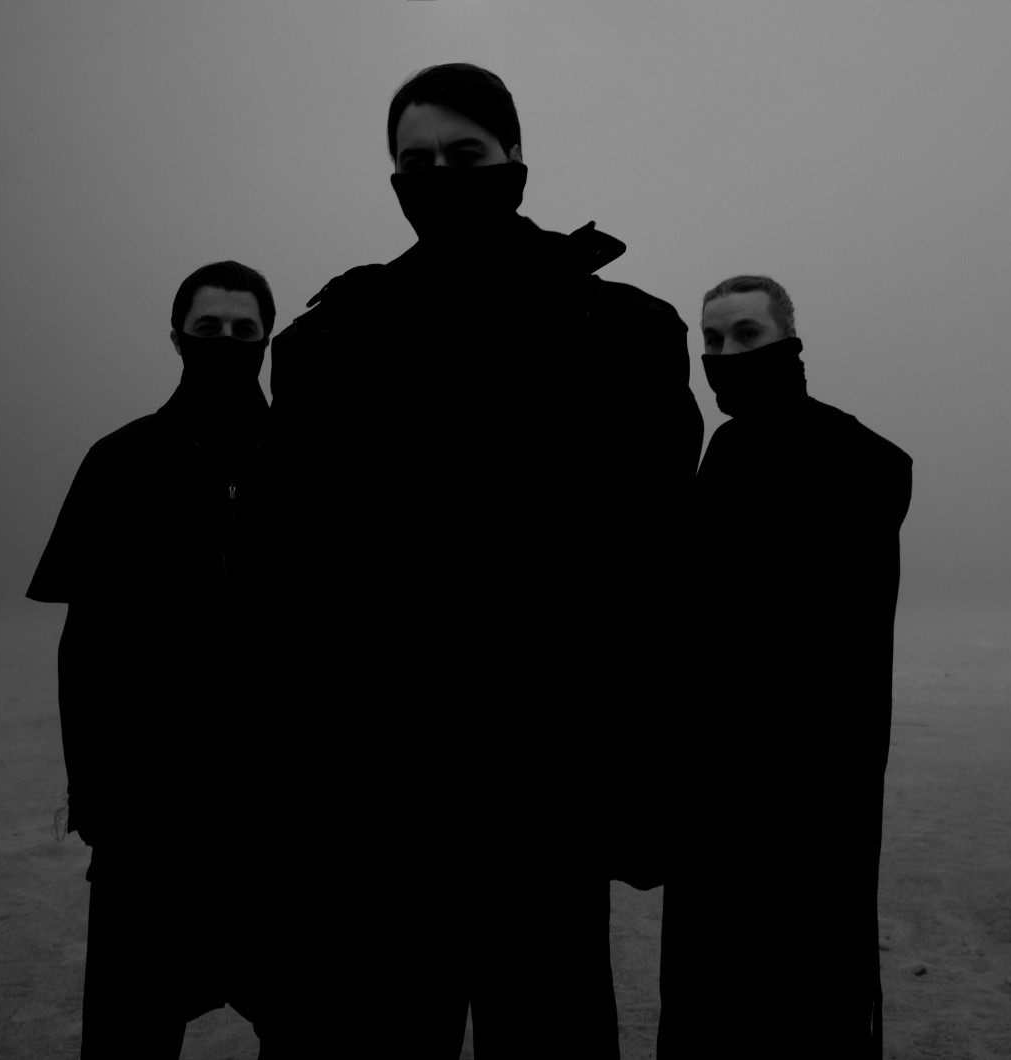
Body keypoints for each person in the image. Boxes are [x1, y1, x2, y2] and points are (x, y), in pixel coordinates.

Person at [269, 63, 702, 1058]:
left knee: (550, 1028)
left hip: (548, 781)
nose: (441, 177)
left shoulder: (625, 335)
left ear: (514, 159)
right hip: (384, 785)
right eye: (415, 162)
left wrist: (646, 771)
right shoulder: (333, 344)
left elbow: (658, 569)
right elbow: (290, 582)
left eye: (465, 155)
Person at [26, 260, 275, 1058]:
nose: (226, 342)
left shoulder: (314, 464)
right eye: (209, 329)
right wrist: (98, 801)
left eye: (244, 330)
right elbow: (86, 651)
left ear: (266, 340)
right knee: (129, 1040)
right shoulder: (119, 462)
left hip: (286, 831)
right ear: (177, 338)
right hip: (152, 830)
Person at [683, 275, 912, 1059]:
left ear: (790, 340)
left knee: (810, 996)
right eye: (712, 340)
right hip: (718, 787)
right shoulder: (726, 451)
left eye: (746, 335)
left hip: (815, 792)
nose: (725, 354)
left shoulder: (859, 458)